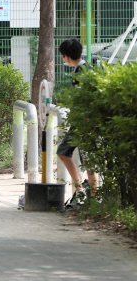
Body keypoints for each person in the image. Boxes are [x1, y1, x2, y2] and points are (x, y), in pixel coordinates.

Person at [57, 38, 99, 207]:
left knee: (63, 151)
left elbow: (88, 99)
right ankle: (92, 198)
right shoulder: (85, 68)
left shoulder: (81, 71)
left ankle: (80, 191)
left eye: (62, 56)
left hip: (84, 123)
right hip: (86, 123)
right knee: (88, 160)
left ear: (65, 56)